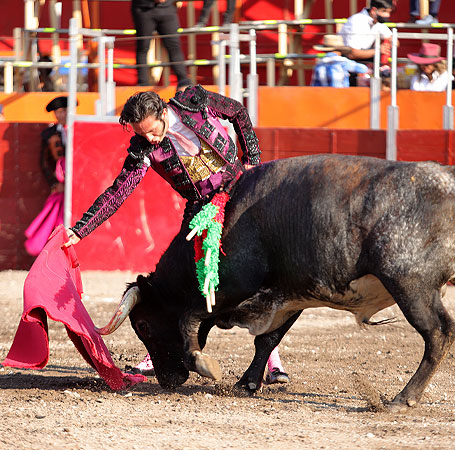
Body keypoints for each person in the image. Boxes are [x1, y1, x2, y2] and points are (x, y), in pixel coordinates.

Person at [62, 85, 289, 384]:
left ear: (162, 112)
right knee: (182, 279)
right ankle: (164, 351)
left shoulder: (194, 102)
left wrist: (252, 162)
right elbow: (118, 191)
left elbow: (237, 112)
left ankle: (272, 360)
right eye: (143, 135)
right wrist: (81, 230)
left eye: (153, 131)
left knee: (269, 276)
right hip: (202, 206)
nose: (151, 139)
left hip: (243, 189)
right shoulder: (144, 148)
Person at [131, 0, 191, 89]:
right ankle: (142, 84)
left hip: (167, 9)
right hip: (143, 9)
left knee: (174, 46)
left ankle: (183, 81)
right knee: (143, 47)